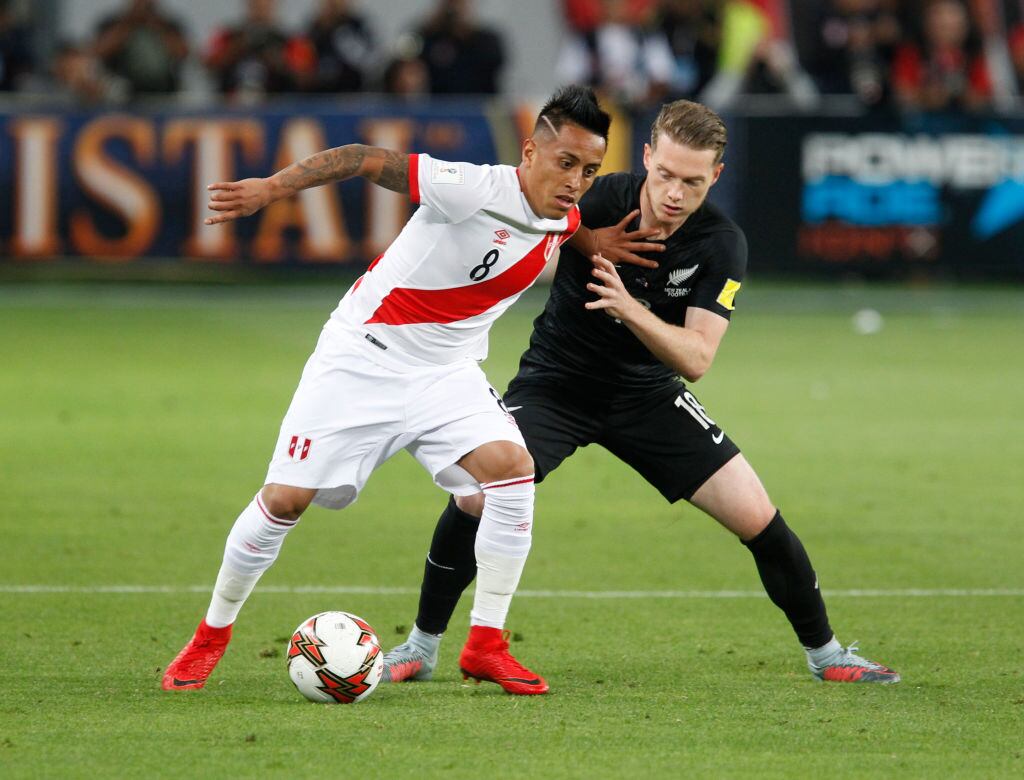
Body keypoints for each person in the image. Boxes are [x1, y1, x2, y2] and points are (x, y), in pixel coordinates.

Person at [383, 99, 901, 687]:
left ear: (716, 177)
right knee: (479, 495)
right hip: (557, 383)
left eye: (693, 181)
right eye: (666, 175)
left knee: (758, 516)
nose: (675, 193)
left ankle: (827, 654)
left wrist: (630, 310)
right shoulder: (597, 198)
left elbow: (697, 358)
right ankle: (422, 646)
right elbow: (522, 217)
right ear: (647, 157)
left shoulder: (721, 242)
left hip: (648, 395)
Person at [161, 86, 611, 697]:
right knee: (285, 500)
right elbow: (359, 157)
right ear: (530, 151)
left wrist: (599, 245)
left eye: (590, 169)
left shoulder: (564, 214)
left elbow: (569, 227)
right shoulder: (472, 187)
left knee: (511, 475)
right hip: (361, 360)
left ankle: (486, 645)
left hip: (446, 374)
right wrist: (272, 188)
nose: (577, 180)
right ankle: (210, 636)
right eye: (566, 163)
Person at [92, 0, 189, 96]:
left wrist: (155, 24)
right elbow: (98, 52)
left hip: (165, 94)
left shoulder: (169, 24)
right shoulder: (112, 23)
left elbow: (182, 53)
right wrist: (130, 22)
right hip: (123, 96)